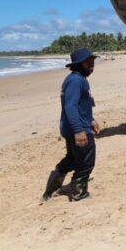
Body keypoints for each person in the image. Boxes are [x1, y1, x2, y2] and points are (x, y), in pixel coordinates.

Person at [41, 48, 101, 202]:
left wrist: (91, 119)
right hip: (77, 128)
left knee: (73, 159)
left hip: (74, 126)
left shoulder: (79, 78)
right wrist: (79, 130)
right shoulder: (75, 81)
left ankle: (51, 190)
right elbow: (71, 107)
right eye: (88, 62)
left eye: (92, 62)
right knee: (86, 162)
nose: (92, 65)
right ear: (78, 64)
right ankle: (79, 194)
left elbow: (82, 105)